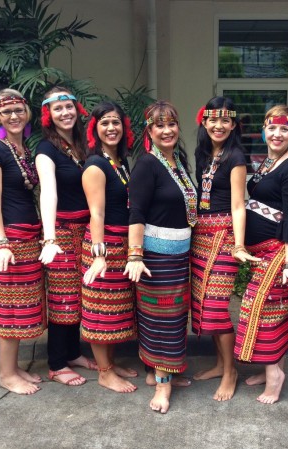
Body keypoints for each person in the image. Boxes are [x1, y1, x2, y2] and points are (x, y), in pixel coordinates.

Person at [124, 101, 197, 413]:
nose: (167, 131)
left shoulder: (177, 162)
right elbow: (137, 212)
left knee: (175, 319)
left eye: (171, 125)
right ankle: (162, 386)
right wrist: (135, 255)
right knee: (161, 320)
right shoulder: (147, 164)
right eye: (159, 126)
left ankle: (161, 372)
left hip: (179, 257)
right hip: (155, 258)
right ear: (149, 132)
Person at [233, 105, 288, 404]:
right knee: (274, 311)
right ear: (264, 130)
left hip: (279, 252)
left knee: (261, 311)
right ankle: (270, 369)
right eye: (272, 128)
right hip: (264, 252)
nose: (277, 134)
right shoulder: (267, 162)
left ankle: (276, 375)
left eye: (284, 129)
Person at [190, 96, 258, 402]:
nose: (219, 126)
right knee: (204, 304)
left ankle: (231, 371)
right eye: (213, 120)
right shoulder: (203, 153)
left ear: (234, 125)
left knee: (217, 307)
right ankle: (220, 363)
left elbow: (237, 204)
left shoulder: (236, 157)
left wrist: (239, 245)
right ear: (204, 122)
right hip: (200, 237)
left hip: (224, 236)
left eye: (226, 121)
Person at [0, 88, 44, 395]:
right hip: (10, 238)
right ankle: (6, 373)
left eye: (19, 110)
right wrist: (1, 242)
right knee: (10, 307)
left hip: (28, 237)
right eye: (6, 112)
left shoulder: (23, 150)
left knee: (23, 305)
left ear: (27, 113)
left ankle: (14, 366)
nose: (14, 116)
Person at [35, 86, 97, 387]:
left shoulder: (84, 145)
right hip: (60, 230)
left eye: (69, 107)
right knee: (63, 298)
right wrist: (50, 239)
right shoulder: (46, 149)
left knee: (81, 294)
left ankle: (73, 353)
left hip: (85, 229)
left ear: (77, 109)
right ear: (49, 114)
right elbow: (47, 192)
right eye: (58, 109)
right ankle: (57, 363)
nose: (65, 113)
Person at [80, 101, 138, 393]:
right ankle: (103, 372)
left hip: (122, 243)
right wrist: (99, 256)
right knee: (100, 311)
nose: (111, 128)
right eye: (104, 123)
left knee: (116, 311)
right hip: (103, 246)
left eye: (116, 122)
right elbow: (97, 213)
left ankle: (111, 365)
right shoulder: (95, 165)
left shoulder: (120, 163)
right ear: (95, 129)